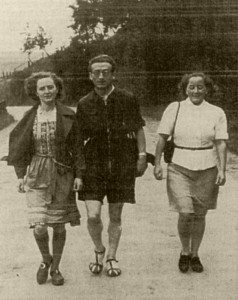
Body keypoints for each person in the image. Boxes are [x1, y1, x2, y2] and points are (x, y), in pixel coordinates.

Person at [8, 72, 85, 285]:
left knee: (58, 225)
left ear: (57, 89)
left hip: (62, 173)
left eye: (50, 87)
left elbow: (78, 147)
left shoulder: (69, 115)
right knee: (40, 225)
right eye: (42, 88)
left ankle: (56, 268)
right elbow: (19, 145)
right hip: (36, 172)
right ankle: (45, 258)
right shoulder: (30, 116)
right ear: (35, 91)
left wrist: (79, 174)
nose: (47, 91)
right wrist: (20, 175)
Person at [76, 54, 147, 277]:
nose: (101, 76)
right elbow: (78, 139)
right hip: (93, 166)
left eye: (105, 72)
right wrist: (78, 169)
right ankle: (99, 249)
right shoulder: (84, 103)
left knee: (115, 216)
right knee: (93, 215)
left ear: (113, 74)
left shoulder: (127, 98)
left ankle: (112, 257)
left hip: (121, 164)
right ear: (90, 75)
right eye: (96, 72)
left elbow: (138, 128)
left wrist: (142, 155)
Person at [154, 72, 228, 273]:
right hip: (179, 166)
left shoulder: (216, 112)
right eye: (191, 87)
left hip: (207, 168)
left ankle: (195, 254)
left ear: (207, 89)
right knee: (186, 213)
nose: (196, 91)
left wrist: (222, 169)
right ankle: (184, 251)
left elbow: (221, 142)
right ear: (185, 89)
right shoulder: (174, 108)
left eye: (200, 87)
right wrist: (157, 163)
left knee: (200, 214)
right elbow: (161, 137)